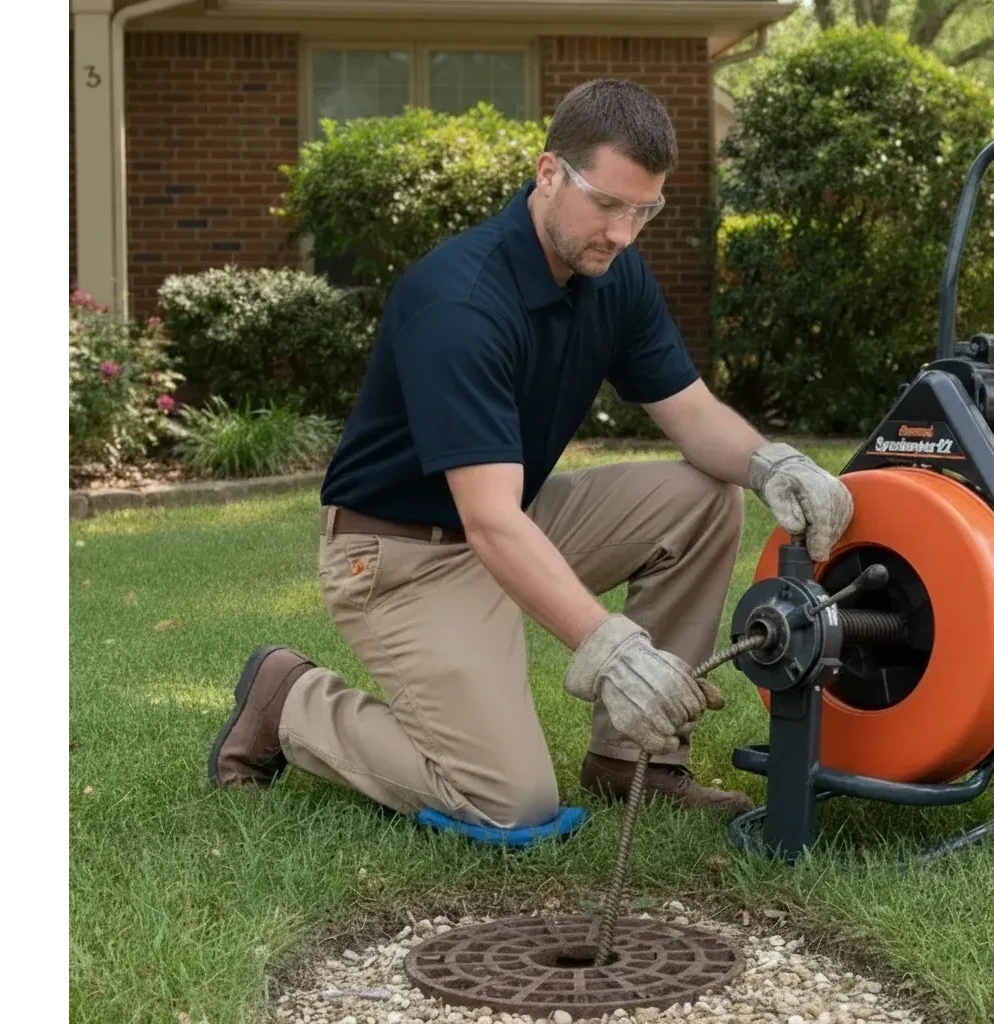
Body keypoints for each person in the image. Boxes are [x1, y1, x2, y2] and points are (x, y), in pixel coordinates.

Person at [207, 78, 853, 826]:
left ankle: (634, 761)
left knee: (705, 497)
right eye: (607, 204)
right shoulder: (461, 304)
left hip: (511, 519)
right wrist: (611, 649)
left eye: (644, 211)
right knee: (509, 801)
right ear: (549, 173)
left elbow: (694, 415)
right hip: (402, 557)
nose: (623, 232)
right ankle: (290, 699)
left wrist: (774, 463)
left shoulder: (611, 272)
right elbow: (489, 522)